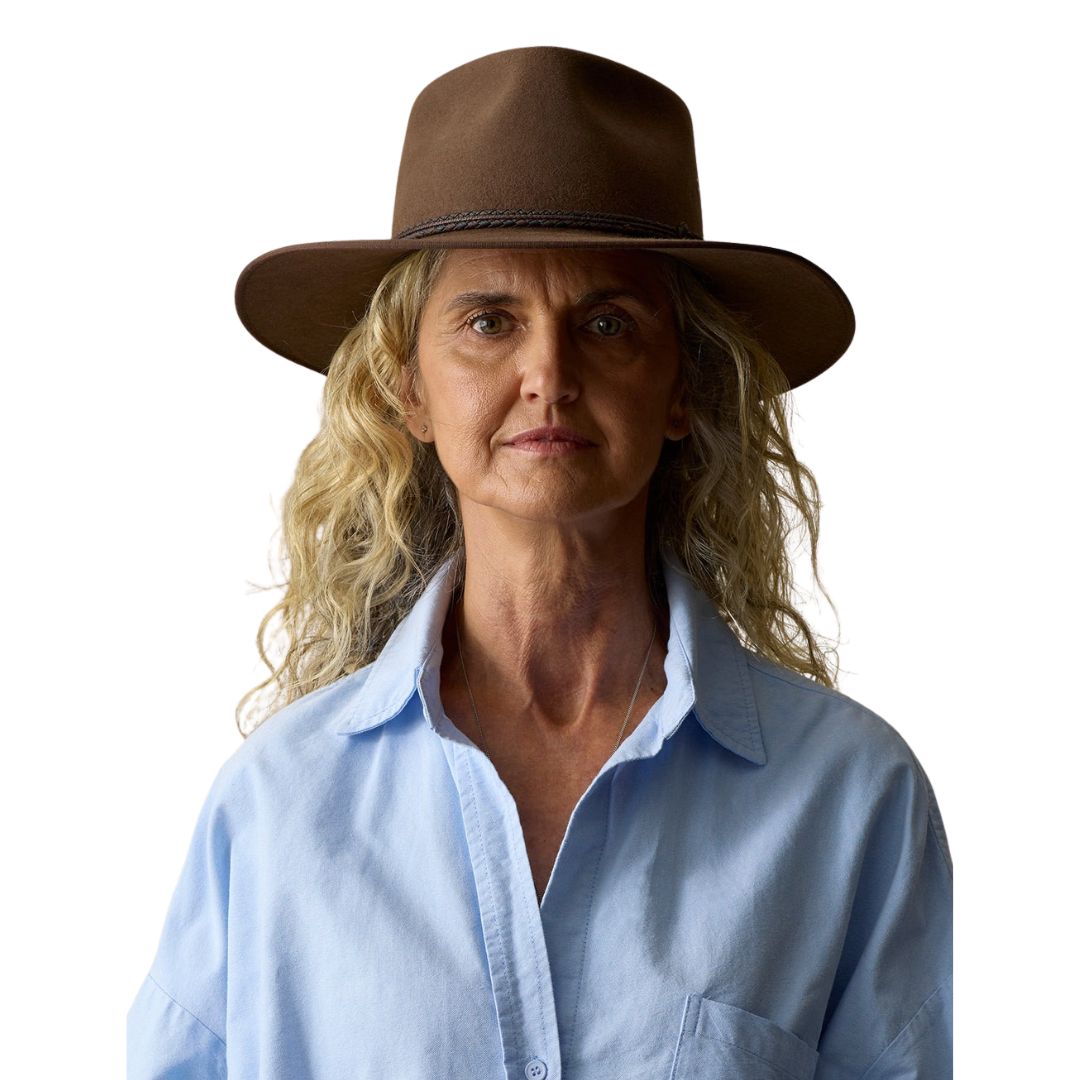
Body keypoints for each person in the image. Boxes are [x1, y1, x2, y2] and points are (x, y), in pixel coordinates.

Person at [127, 46, 952, 1080]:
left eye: (607, 323)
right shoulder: (275, 808)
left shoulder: (847, 798)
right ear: (408, 391)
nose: (548, 375)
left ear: (683, 387)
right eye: (489, 321)